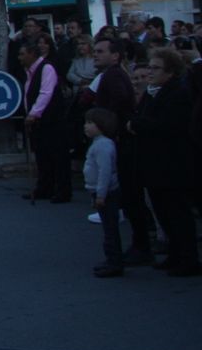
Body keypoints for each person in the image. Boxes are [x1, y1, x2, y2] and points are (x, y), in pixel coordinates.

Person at [131, 47, 198, 275]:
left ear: (170, 71)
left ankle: (188, 259)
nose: (150, 72)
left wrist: (137, 125)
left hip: (173, 163)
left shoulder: (177, 93)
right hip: (156, 163)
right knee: (164, 212)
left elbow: (167, 125)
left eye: (156, 68)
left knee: (177, 212)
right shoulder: (154, 92)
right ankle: (175, 254)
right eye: (150, 67)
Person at [20, 37, 70, 202]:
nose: (20, 58)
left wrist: (34, 113)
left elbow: (46, 93)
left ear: (32, 54)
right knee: (43, 156)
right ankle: (45, 187)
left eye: (22, 54)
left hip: (52, 120)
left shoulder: (46, 68)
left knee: (57, 156)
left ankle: (62, 191)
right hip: (40, 123)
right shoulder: (30, 72)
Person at [83, 108, 124, 277]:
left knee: (110, 229)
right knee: (108, 228)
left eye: (90, 123)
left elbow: (104, 171)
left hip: (107, 192)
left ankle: (114, 262)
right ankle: (111, 260)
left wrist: (101, 194)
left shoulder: (102, 146)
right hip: (100, 191)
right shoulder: (99, 143)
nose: (86, 126)